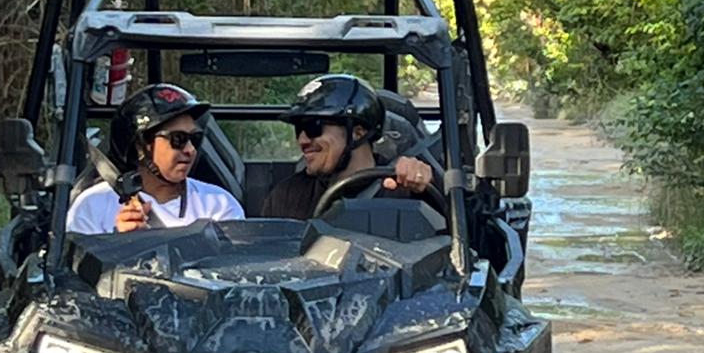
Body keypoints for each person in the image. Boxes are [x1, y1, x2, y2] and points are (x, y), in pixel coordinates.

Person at [67, 83, 245, 234]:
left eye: (195, 139)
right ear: (140, 145)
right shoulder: (93, 205)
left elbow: (234, 262)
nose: (190, 150)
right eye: (178, 139)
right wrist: (120, 244)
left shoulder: (219, 204)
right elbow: (76, 263)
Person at [261, 74, 433, 220]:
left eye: (313, 126)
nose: (302, 140)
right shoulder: (286, 196)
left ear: (358, 132)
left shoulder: (402, 190)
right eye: (298, 129)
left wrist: (424, 183)